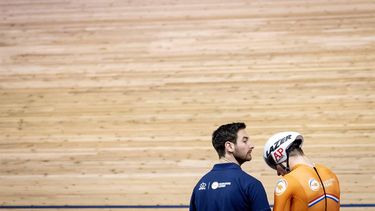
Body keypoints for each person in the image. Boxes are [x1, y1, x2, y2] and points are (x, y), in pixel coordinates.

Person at [190, 122, 271, 211]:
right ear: (229, 146)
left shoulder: (199, 187)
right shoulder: (251, 184)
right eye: (244, 141)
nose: (251, 146)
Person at [263, 131, 340, 211]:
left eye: (275, 166)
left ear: (279, 156)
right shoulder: (330, 174)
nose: (278, 173)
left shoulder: (288, 182)